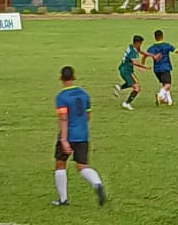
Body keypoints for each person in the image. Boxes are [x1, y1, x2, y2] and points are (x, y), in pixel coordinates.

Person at [52, 66, 106, 206]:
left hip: (68, 135)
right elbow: (87, 116)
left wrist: (64, 140)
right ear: (74, 77)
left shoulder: (61, 97)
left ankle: (63, 199)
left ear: (61, 79)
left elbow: (63, 118)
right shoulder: (84, 94)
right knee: (82, 165)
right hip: (83, 135)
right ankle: (97, 183)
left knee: (60, 163)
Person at [144, 29, 178, 106]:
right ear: (162, 36)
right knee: (168, 85)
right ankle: (160, 95)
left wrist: (143, 65)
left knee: (164, 84)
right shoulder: (166, 45)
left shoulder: (151, 48)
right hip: (165, 67)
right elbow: (177, 51)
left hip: (156, 69)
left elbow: (145, 55)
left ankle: (169, 101)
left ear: (155, 37)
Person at [114, 35, 152, 111]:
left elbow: (140, 51)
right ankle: (126, 103)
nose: (141, 45)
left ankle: (119, 87)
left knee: (131, 82)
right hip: (127, 71)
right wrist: (144, 67)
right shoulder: (133, 52)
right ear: (137, 43)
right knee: (137, 88)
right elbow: (134, 62)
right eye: (140, 43)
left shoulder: (131, 46)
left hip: (123, 68)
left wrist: (152, 55)